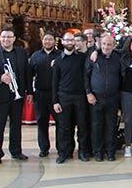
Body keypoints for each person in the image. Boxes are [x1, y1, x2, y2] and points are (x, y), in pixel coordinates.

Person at [0, 25, 32, 165]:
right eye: (4, 37)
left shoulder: (21, 53)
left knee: (16, 126)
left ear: (14, 39)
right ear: (0, 38)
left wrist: (29, 92)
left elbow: (27, 73)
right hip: (0, 96)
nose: (6, 39)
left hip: (17, 96)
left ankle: (16, 151)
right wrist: (0, 78)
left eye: (9, 37)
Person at [52, 32, 90, 164]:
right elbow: (54, 83)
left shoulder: (82, 58)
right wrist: (55, 101)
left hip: (80, 96)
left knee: (82, 126)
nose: (69, 42)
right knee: (64, 127)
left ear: (75, 42)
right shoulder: (57, 61)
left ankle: (83, 152)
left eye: (72, 40)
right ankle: (64, 153)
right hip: (64, 97)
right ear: (62, 42)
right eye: (67, 40)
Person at [85, 34, 121, 162]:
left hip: (113, 98)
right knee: (96, 126)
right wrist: (89, 93)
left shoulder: (118, 58)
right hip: (96, 98)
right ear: (101, 44)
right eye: (104, 44)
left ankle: (110, 152)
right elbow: (86, 76)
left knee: (111, 126)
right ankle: (98, 152)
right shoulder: (93, 57)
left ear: (113, 46)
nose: (106, 46)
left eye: (109, 44)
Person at [29, 32, 60, 157]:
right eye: (45, 39)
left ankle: (61, 148)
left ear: (54, 41)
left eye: (50, 39)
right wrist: (30, 92)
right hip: (40, 94)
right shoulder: (35, 56)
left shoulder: (60, 55)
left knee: (60, 122)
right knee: (42, 122)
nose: (48, 42)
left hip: (56, 95)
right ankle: (43, 148)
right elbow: (29, 75)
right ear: (42, 41)